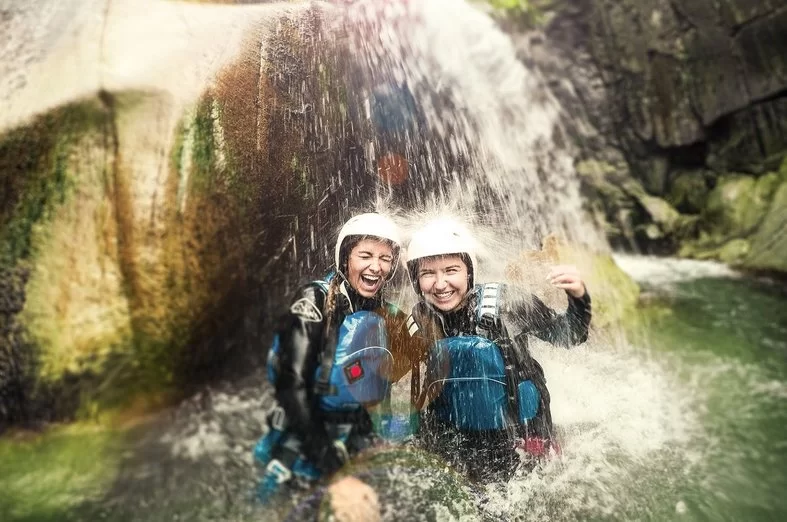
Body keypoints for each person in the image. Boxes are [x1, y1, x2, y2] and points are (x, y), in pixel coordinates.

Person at [404, 218, 592, 482]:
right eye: (428, 273)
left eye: (451, 270)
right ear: (416, 280)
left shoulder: (510, 304)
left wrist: (579, 297)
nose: (440, 284)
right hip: (455, 438)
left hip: (521, 437)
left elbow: (569, 335)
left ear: (469, 271)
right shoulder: (419, 320)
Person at [254, 212, 419, 502]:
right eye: (365, 255)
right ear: (345, 259)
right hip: (305, 438)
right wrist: (335, 473)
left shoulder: (388, 315)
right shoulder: (313, 301)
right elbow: (291, 387)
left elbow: (416, 361)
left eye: (385, 259)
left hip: (356, 436)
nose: (375, 267)